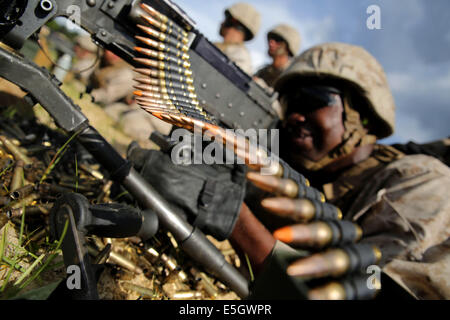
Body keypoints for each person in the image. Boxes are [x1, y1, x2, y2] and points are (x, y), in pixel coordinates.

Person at [231, 42, 450, 299]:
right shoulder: (288, 170)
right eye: (289, 103)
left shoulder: (419, 181)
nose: (294, 117)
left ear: (361, 116)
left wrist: (237, 221)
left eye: (312, 100)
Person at [214, 2, 261, 75]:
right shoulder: (225, 48)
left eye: (226, 18)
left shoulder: (240, 56)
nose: (222, 23)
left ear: (233, 21)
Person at [254, 24, 301, 88]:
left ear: (288, 48)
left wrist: (260, 85)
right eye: (271, 38)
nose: (271, 43)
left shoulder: (290, 76)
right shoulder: (264, 71)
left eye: (278, 40)